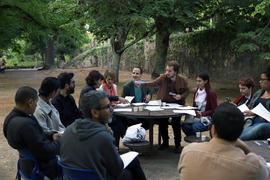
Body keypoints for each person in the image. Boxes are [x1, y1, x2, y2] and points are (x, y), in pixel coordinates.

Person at [60, 90, 146, 180]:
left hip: (72, 177)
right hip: (97, 176)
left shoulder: (68, 130)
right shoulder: (103, 137)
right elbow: (117, 169)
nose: (112, 109)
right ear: (95, 113)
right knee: (130, 170)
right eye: (108, 107)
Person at [178, 102, 270, 180]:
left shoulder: (188, 152)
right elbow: (266, 172)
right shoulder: (253, 166)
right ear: (241, 131)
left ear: (213, 129)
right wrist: (245, 147)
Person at [3, 86, 61, 179]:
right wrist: (59, 142)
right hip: (39, 168)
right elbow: (47, 152)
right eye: (36, 102)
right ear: (30, 102)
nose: (36, 105)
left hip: (25, 163)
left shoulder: (10, 119)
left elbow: (37, 135)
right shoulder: (26, 124)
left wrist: (51, 135)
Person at [137, 61, 189, 153]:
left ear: (175, 72)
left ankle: (177, 144)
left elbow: (187, 91)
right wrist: (142, 84)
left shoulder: (182, 80)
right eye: (166, 70)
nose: (167, 73)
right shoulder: (163, 77)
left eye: (169, 71)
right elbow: (154, 83)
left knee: (176, 123)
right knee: (162, 122)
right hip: (163, 104)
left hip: (177, 105)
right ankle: (165, 143)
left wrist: (181, 96)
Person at [240, 67, 270, 140]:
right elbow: (250, 108)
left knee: (260, 127)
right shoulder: (259, 93)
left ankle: (232, 140)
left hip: (265, 124)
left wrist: (261, 115)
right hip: (251, 120)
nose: (260, 82)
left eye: (263, 80)